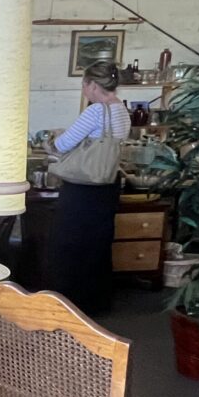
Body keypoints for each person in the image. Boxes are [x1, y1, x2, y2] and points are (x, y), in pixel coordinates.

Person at [44, 60, 131, 314]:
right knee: (98, 246)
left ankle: (69, 304)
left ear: (93, 84)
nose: (84, 88)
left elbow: (63, 145)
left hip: (83, 188)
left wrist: (51, 143)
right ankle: (96, 304)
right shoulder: (122, 111)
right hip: (108, 186)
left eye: (84, 83)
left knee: (68, 244)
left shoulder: (96, 111)